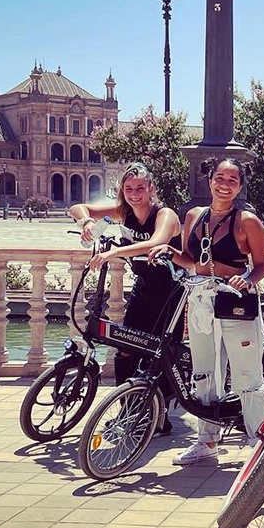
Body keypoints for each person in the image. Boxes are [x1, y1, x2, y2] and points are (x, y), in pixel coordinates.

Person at [149, 157, 264, 464]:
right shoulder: (194, 216)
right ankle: (207, 441)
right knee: (204, 372)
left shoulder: (247, 221)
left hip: (235, 301)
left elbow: (262, 265)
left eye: (232, 180)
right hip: (202, 299)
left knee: (247, 374)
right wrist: (169, 252)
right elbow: (191, 259)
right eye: (220, 177)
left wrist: (245, 280)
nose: (224, 184)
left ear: (240, 185)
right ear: (210, 180)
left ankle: (260, 441)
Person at [69, 162, 184, 433]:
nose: (134, 193)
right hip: (143, 289)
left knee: (161, 354)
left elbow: (155, 242)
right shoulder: (124, 211)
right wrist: (86, 221)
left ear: (151, 188)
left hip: (170, 292)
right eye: (129, 188)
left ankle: (159, 415)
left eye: (140, 188)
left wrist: (113, 253)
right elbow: (78, 208)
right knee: (125, 346)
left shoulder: (164, 214)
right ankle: (127, 409)